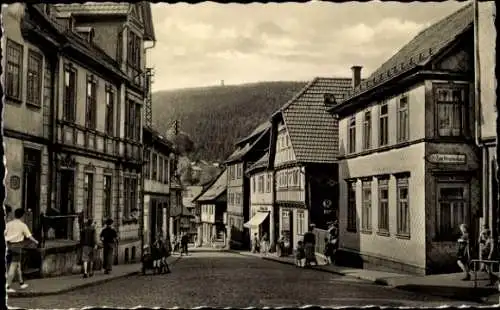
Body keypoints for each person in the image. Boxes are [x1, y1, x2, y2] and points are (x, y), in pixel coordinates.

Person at [5, 208, 39, 293]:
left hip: (8, 245)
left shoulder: (8, 224)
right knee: (13, 267)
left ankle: (21, 283)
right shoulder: (22, 225)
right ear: (23, 216)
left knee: (18, 265)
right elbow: (29, 236)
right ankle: (7, 286)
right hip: (17, 247)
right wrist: (36, 241)